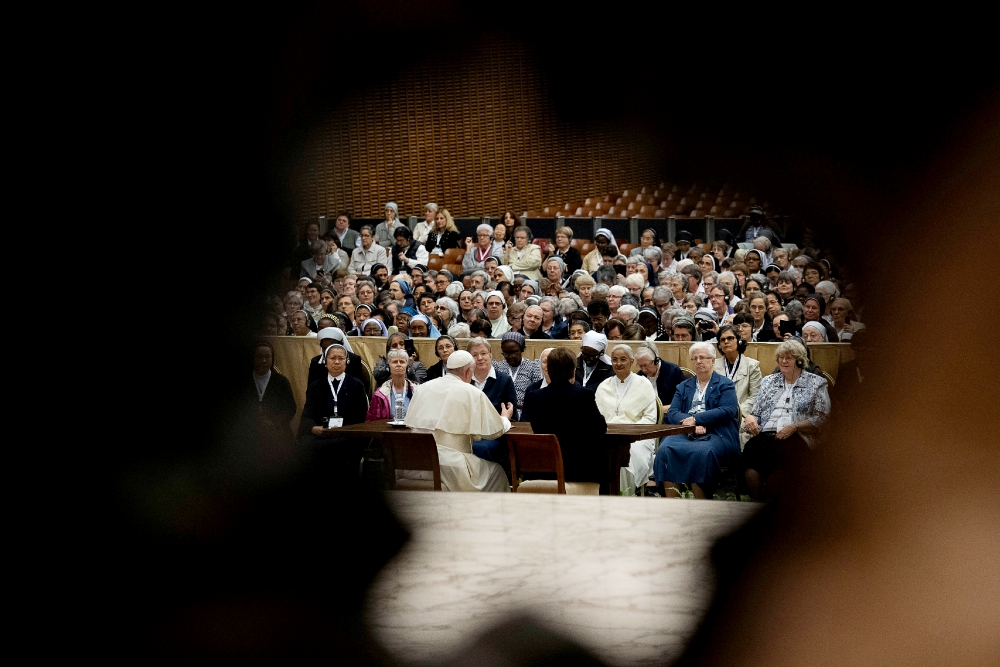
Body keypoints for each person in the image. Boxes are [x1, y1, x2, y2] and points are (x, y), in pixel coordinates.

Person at [403, 350, 513, 492]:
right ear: (468, 372)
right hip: (452, 467)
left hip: (415, 464)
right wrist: (504, 418)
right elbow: (495, 431)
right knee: (497, 472)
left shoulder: (422, 389)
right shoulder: (471, 392)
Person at [742, 339, 831, 500]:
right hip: (766, 434)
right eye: (781, 357)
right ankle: (755, 504)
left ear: (799, 360)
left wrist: (795, 427)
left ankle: (772, 508)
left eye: (788, 358)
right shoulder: (768, 381)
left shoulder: (816, 382)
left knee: (781, 460)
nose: (783, 361)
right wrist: (751, 419)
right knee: (750, 454)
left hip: (797, 435)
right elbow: (756, 412)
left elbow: (822, 417)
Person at [653, 341, 740, 499]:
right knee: (666, 449)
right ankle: (672, 506)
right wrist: (690, 425)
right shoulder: (683, 386)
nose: (698, 361)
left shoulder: (724, 384)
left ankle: (702, 506)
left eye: (702, 357)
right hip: (686, 432)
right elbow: (673, 412)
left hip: (716, 432)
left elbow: (727, 410)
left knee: (702, 453)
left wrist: (696, 419)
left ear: (713, 360)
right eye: (695, 358)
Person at [521, 347, 610, 492]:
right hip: (579, 470)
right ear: (573, 370)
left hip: (544, 469)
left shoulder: (535, 397)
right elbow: (600, 428)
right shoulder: (584, 395)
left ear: (549, 370)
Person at [594, 344, 660, 496]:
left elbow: (650, 419)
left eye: (623, 359)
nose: (618, 363)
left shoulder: (644, 384)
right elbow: (597, 418)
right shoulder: (604, 386)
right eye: (615, 360)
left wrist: (627, 433)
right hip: (608, 437)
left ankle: (622, 497)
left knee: (623, 458)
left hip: (637, 438)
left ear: (632, 362)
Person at [298, 344, 370, 460]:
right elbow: (307, 415)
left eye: (341, 358)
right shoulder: (315, 386)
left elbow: (360, 416)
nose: (337, 362)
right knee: (305, 444)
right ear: (325, 362)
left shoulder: (356, 385)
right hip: (321, 433)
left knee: (343, 445)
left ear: (346, 362)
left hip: (346, 434)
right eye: (332, 358)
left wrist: (342, 430)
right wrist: (314, 428)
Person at [714, 325, 762, 449]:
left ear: (739, 341)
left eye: (730, 338)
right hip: (719, 415)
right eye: (722, 339)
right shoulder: (713, 366)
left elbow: (756, 396)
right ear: (719, 344)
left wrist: (735, 411)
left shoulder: (753, 366)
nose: (726, 342)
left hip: (744, 415)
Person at [247, 340, 296, 447]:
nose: (264, 360)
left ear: (272, 358)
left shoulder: (281, 381)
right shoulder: (244, 381)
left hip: (276, 429)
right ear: (253, 358)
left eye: (268, 357)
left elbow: (290, 408)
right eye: (259, 357)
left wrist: (273, 423)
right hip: (248, 429)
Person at [307, 327, 371, 398]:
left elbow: (357, 389)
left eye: (332, 347)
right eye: (325, 348)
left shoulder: (353, 360)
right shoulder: (316, 362)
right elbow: (310, 390)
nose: (328, 351)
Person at [494, 331, 542, 421]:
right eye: (506, 353)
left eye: (514, 352)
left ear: (522, 349)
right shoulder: (497, 367)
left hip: (526, 411)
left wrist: (517, 405)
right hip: (501, 411)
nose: (510, 356)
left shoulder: (533, 367)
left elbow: (536, 394)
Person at [635, 342, 685, 421]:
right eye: (640, 366)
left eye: (646, 365)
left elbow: (683, 400)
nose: (643, 369)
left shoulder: (673, 371)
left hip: (669, 416)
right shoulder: (640, 376)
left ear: (656, 361)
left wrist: (659, 410)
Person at [366, 348, 418, 422]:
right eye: (395, 362)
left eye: (402, 362)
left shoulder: (417, 391)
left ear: (407, 366)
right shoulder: (380, 394)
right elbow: (371, 422)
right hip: (386, 432)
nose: (398, 364)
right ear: (389, 366)